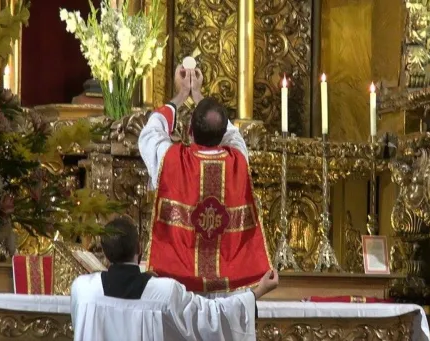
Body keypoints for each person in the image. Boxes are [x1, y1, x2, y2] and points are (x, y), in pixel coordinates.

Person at [138, 65, 271, 294]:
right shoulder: (238, 160)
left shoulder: (171, 160)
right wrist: (198, 94)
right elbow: (230, 132)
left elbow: (151, 132)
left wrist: (181, 95)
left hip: (179, 287)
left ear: (190, 131)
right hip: (226, 290)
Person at [70, 217, 279, 341]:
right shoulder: (164, 292)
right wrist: (258, 291)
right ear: (140, 249)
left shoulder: (83, 289)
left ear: (105, 253)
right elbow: (212, 318)